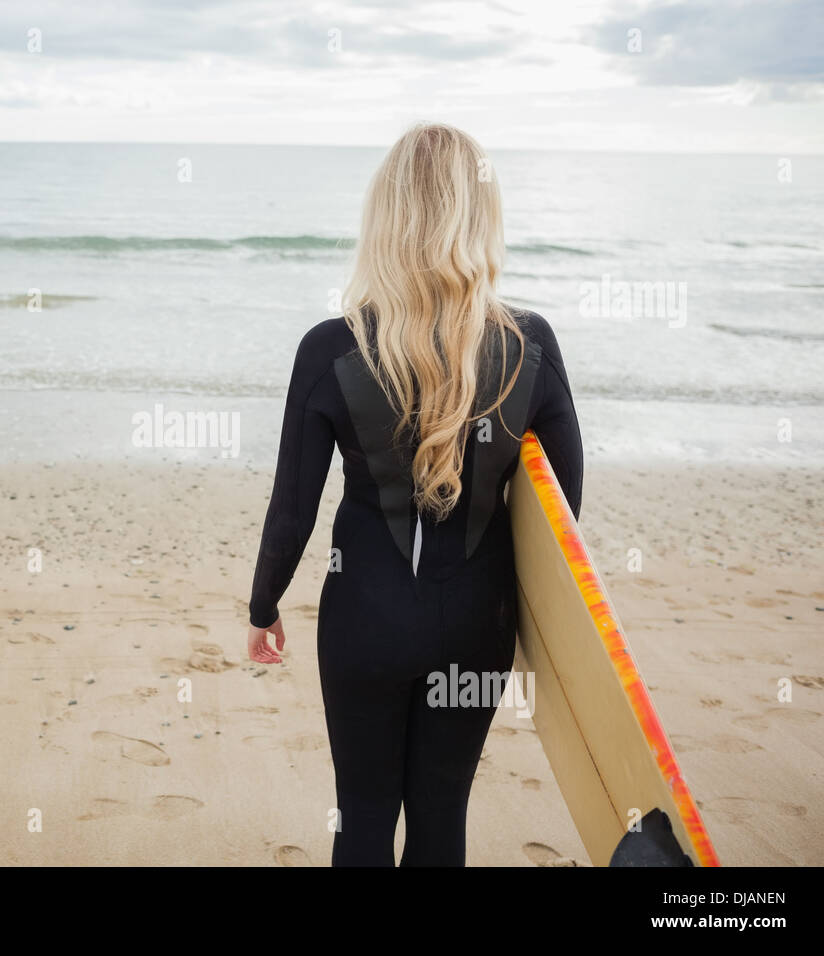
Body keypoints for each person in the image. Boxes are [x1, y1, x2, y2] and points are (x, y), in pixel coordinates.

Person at [246, 123, 584, 866]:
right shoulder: (531, 344)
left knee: (363, 815)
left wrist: (263, 606)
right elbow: (564, 515)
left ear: (386, 217)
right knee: (440, 817)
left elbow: (291, 509)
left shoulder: (331, 348)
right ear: (479, 217)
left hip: (362, 618)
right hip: (475, 623)